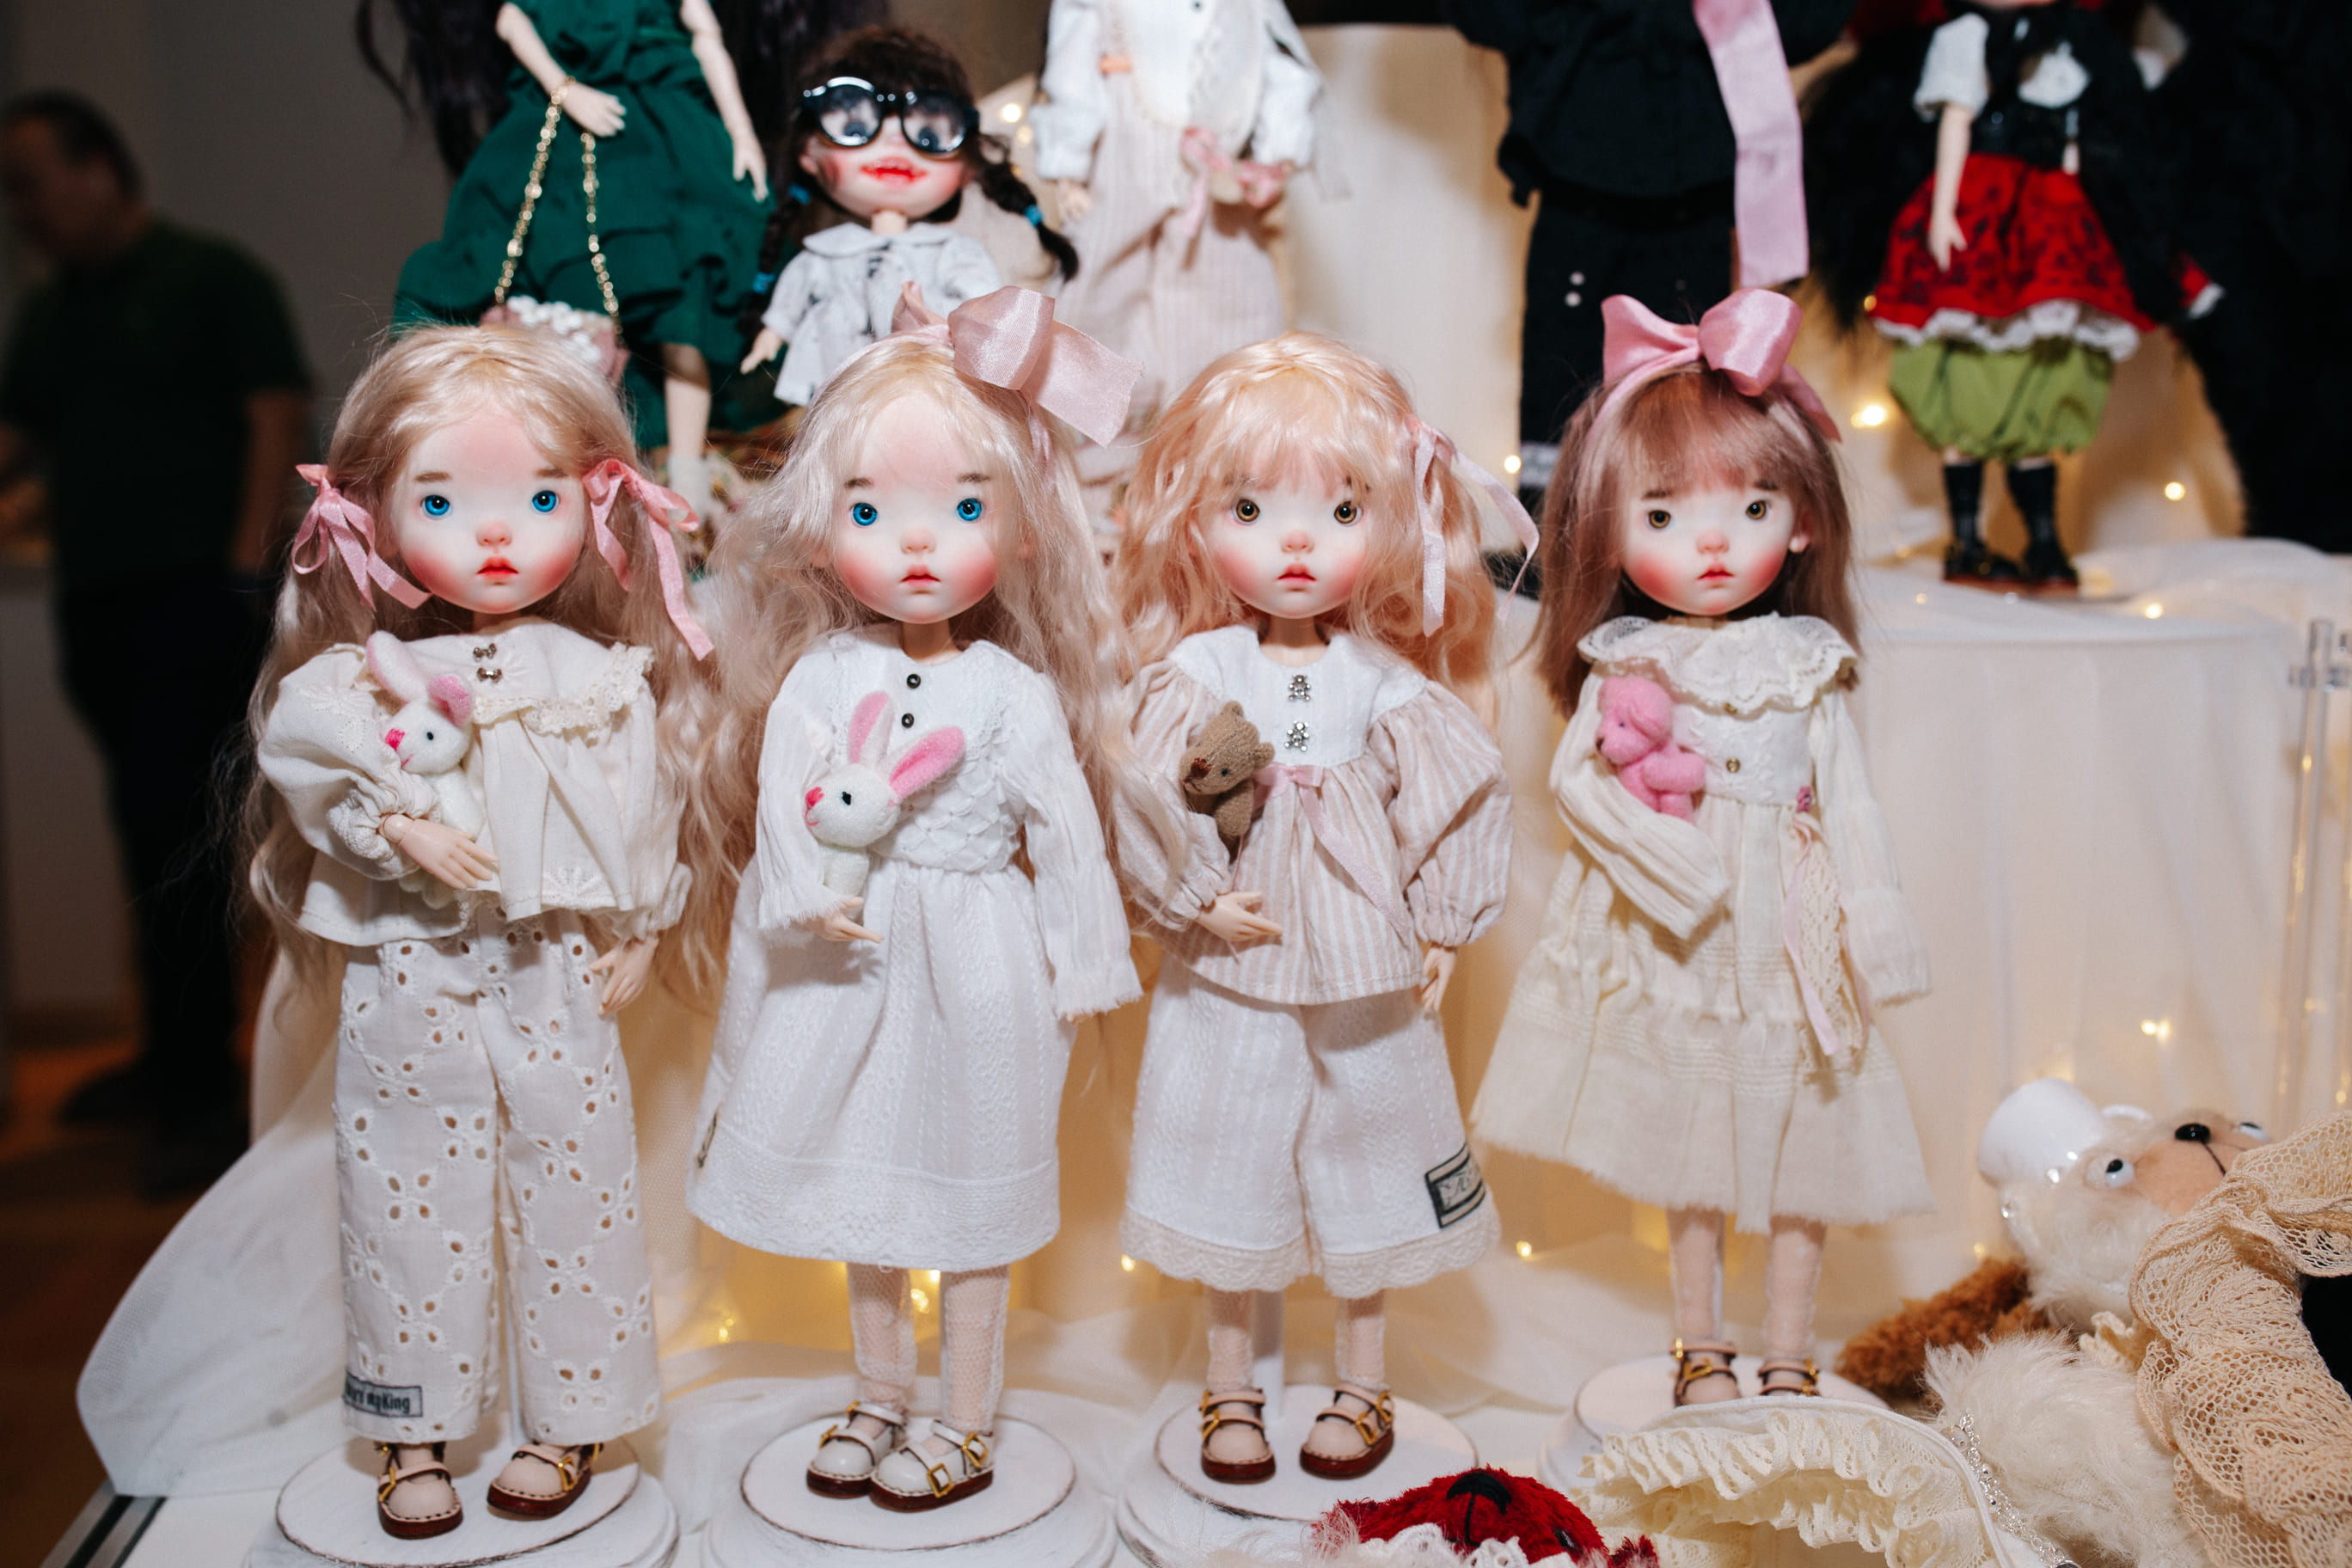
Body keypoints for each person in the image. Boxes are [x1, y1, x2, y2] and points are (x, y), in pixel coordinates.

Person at [0, 90, 309, 1191]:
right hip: (98, 603)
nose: (23, 212)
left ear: (98, 169)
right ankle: (167, 1059)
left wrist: (240, 570)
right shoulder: (53, 310)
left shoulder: (210, 278)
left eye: (32, 184)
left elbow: (276, 414)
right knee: (141, 833)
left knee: (179, 837)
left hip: (196, 598)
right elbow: (23, 436)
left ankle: (201, 1093)